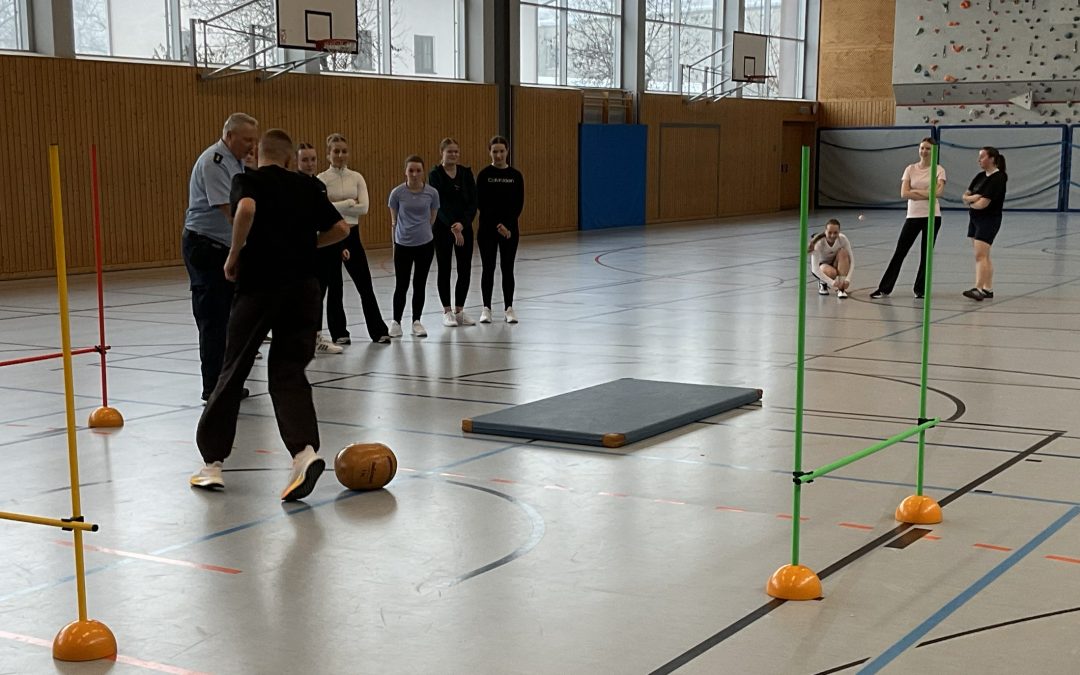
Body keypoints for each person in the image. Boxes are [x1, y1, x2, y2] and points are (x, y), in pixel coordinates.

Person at [190, 129, 350, 501]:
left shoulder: (247, 180)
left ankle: (212, 464)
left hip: (260, 286)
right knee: (289, 372)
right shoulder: (308, 185)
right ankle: (304, 453)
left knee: (234, 369)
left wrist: (233, 256)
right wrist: (306, 245)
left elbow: (246, 209)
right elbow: (341, 228)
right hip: (304, 289)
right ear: (290, 159)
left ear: (258, 155)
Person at [182, 112, 258, 402]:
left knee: (230, 318)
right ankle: (213, 386)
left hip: (224, 245)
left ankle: (227, 382)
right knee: (213, 318)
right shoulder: (214, 163)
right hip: (206, 246)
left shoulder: (237, 162)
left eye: (254, 140)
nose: (252, 145)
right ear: (230, 136)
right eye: (247, 139)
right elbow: (231, 212)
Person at [317, 133, 390, 344]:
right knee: (335, 286)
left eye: (344, 151)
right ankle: (339, 332)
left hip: (352, 235)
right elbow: (322, 209)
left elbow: (364, 208)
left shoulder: (356, 177)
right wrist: (349, 203)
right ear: (328, 154)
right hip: (331, 235)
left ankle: (378, 330)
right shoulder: (322, 179)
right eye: (336, 151)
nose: (340, 155)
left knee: (365, 284)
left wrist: (337, 206)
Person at [870, 138, 946, 300]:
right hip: (913, 216)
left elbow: (939, 193)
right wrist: (927, 193)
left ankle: (920, 290)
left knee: (926, 254)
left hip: (932, 216)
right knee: (900, 251)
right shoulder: (910, 169)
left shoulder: (939, 170)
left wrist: (916, 191)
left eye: (928, 149)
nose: (924, 151)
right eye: (922, 148)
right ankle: (884, 288)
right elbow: (904, 193)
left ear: (934, 151)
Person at [298, 142, 343, 355]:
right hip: (299, 251)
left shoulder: (319, 185)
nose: (310, 164)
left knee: (318, 294)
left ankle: (315, 337)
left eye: (313, 159)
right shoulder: (294, 185)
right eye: (305, 159)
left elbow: (328, 219)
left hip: (319, 249)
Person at [388, 155, 440, 338]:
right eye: (411, 170)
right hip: (403, 245)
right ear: (405, 172)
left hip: (425, 245)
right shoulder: (397, 193)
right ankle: (396, 322)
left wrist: (422, 231)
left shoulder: (432, 193)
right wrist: (394, 244)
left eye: (418, 170)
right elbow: (394, 221)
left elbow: (432, 218)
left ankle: (416, 321)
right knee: (401, 285)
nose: (415, 174)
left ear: (423, 172)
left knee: (419, 284)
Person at [428, 138, 478, 327]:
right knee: (444, 268)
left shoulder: (466, 173)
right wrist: (452, 226)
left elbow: (473, 202)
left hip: (464, 227)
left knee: (465, 269)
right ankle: (447, 311)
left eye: (456, 151)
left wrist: (462, 225)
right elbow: (438, 204)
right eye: (449, 151)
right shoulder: (435, 174)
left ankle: (460, 310)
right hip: (443, 228)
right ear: (442, 152)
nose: (453, 154)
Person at [476, 135, 525, 324]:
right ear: (490, 152)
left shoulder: (515, 176)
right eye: (495, 151)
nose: (498, 155)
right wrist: (498, 225)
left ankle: (509, 308)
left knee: (507, 268)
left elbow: (518, 204)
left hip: (510, 231)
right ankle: (486, 308)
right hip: (487, 230)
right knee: (488, 268)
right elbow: (482, 203)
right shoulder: (484, 175)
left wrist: (507, 226)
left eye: (502, 151)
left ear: (507, 151)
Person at [961, 146, 1008, 301]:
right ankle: (988, 288)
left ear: (992, 159)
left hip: (989, 220)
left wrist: (972, 200)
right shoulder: (980, 176)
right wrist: (973, 198)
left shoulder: (998, 178)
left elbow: (983, 204)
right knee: (984, 256)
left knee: (980, 255)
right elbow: (965, 196)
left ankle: (978, 288)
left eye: (982, 157)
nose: (979, 160)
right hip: (975, 219)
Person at [809, 219, 854, 299]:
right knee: (831, 273)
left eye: (835, 233)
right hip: (822, 267)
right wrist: (833, 283)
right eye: (829, 232)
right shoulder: (819, 243)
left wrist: (847, 279)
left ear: (839, 232)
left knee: (843, 253)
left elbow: (852, 261)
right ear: (825, 231)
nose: (832, 235)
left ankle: (841, 289)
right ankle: (823, 283)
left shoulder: (843, 239)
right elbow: (814, 269)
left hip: (835, 263)